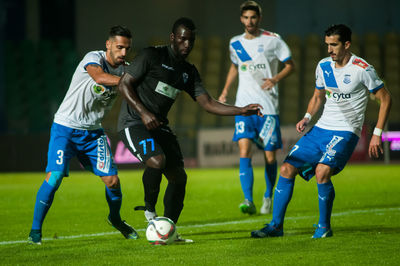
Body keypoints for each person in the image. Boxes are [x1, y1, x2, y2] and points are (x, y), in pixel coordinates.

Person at [117, 17, 262, 241]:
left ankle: (169, 230)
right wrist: (144, 113)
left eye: (191, 41)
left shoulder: (187, 72)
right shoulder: (152, 55)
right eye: (183, 39)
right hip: (134, 122)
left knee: (178, 177)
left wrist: (241, 110)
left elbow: (208, 103)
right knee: (157, 161)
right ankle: (149, 211)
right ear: (173, 37)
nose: (187, 45)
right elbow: (123, 84)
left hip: (159, 125)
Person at [251, 24, 392, 239]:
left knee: (322, 171)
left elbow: (385, 98)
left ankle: (324, 227)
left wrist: (377, 133)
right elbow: (317, 97)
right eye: (327, 45)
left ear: (346, 44)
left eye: (334, 45)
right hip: (320, 129)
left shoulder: (362, 69)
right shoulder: (323, 66)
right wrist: (307, 117)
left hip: (345, 132)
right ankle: (275, 226)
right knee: (287, 169)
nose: (329, 50)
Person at [28, 26, 137, 245]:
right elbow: (98, 77)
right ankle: (35, 232)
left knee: (113, 181)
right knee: (55, 176)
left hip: (93, 133)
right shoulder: (94, 58)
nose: (123, 53)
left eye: (127, 48)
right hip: (65, 127)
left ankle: (115, 219)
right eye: (119, 47)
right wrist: (127, 80)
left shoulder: (126, 71)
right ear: (108, 45)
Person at [218, 1, 295, 215]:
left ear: (259, 18)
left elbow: (291, 65)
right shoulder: (236, 43)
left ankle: (268, 196)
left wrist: (276, 78)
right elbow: (235, 67)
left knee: (270, 158)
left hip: (268, 107)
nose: (249, 21)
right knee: (244, 150)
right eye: (246, 18)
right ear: (241, 19)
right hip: (244, 107)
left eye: (253, 17)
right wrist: (225, 91)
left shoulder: (273, 40)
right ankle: (248, 200)